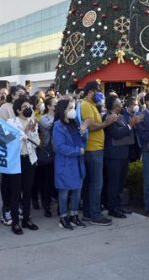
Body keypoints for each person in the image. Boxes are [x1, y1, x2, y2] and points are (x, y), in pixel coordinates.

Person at [80, 81, 118, 226]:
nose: (100, 94)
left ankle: (89, 213)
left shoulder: (91, 105)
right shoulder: (85, 105)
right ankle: (95, 215)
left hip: (95, 149)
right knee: (96, 184)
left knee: (91, 183)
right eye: (98, 91)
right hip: (93, 149)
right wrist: (107, 122)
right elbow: (91, 127)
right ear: (91, 91)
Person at [103, 95, 142, 218]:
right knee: (114, 183)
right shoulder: (108, 117)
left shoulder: (121, 117)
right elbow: (116, 134)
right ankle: (112, 208)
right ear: (114, 105)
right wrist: (130, 125)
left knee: (120, 182)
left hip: (123, 154)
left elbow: (127, 130)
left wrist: (133, 123)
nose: (122, 104)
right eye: (119, 102)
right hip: (113, 156)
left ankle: (118, 205)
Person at [53, 99, 88, 230]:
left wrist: (84, 133)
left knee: (77, 191)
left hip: (78, 162)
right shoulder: (58, 126)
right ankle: (63, 217)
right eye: (70, 108)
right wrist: (77, 151)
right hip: (66, 164)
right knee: (64, 191)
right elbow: (60, 147)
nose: (73, 111)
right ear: (62, 111)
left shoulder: (75, 123)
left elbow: (83, 140)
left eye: (73, 107)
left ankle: (74, 216)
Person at [7, 96, 40, 235]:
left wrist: (32, 132)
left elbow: (37, 142)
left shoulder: (32, 122)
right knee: (15, 193)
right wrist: (25, 131)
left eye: (29, 107)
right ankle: (15, 222)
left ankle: (26, 219)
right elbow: (10, 143)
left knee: (27, 191)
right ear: (18, 109)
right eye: (25, 107)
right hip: (16, 160)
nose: (28, 109)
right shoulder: (11, 122)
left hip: (30, 160)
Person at [0, 85, 25, 226]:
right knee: (7, 182)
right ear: (13, 95)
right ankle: (6, 210)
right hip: (8, 152)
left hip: (22, 152)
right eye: (20, 94)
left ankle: (16, 207)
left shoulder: (25, 107)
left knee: (18, 184)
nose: (23, 97)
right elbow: (0, 129)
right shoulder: (5, 108)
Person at [33, 96, 57, 217]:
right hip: (46, 150)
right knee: (46, 180)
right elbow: (49, 126)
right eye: (54, 104)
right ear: (48, 106)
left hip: (57, 151)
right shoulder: (43, 118)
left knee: (52, 179)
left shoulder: (58, 117)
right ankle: (45, 204)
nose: (56, 106)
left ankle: (51, 201)